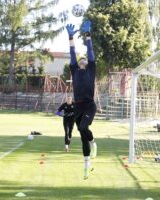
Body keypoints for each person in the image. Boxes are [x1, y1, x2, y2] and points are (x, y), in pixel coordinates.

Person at [65, 20, 97, 180]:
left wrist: (88, 34)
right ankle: (86, 165)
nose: (82, 59)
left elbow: (90, 51)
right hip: (78, 107)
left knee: (84, 127)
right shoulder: (75, 71)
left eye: (84, 59)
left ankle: (93, 142)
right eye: (80, 59)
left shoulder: (91, 69)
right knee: (81, 133)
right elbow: (72, 53)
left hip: (89, 105)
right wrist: (71, 37)